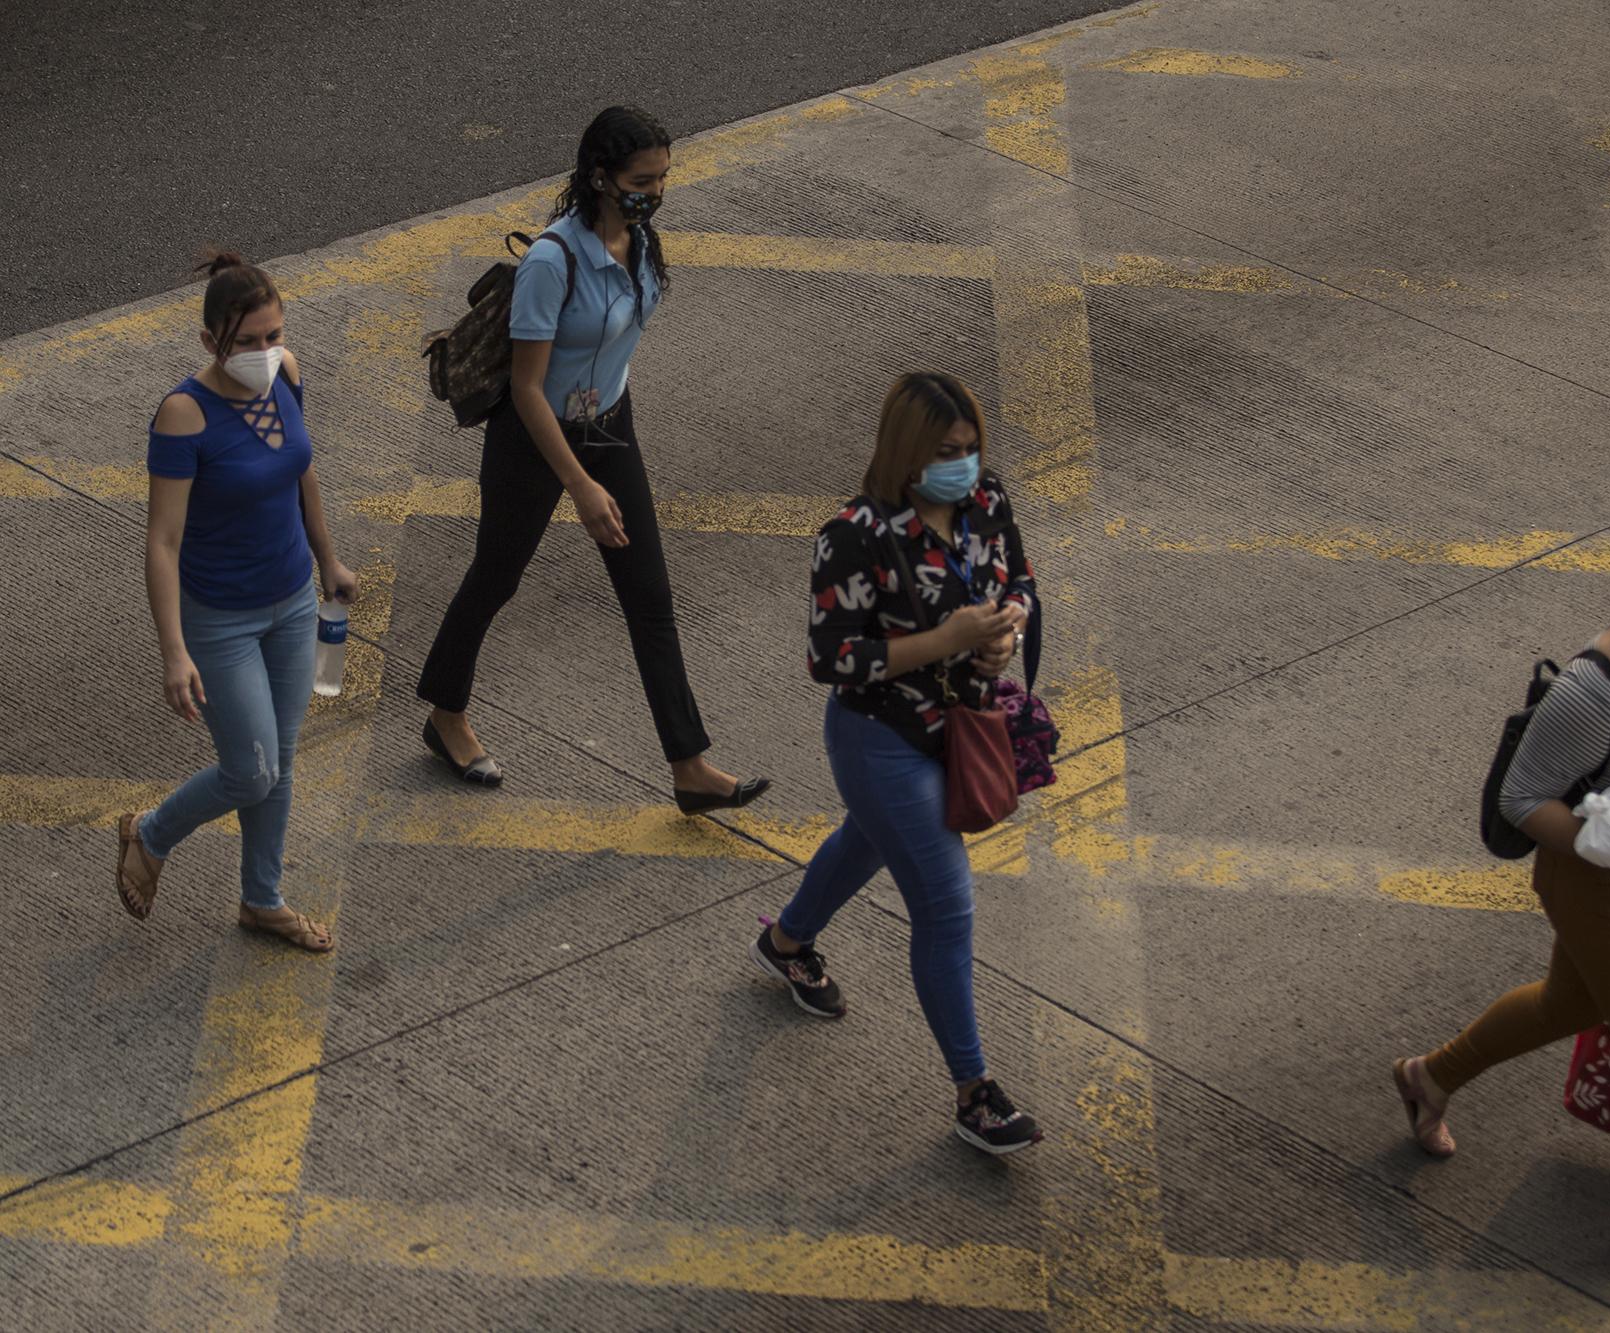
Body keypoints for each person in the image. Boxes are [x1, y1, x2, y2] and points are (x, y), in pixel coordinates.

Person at [1396, 522, 1610, 1288]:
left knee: (1566, 1002)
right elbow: (1521, 800)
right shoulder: (1592, 691)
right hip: (1605, 891)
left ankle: (1429, 1076)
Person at [416, 105, 767, 814]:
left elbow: (612, 350)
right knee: (497, 574)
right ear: (600, 177)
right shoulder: (554, 261)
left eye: (664, 177)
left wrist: (601, 437)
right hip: (535, 434)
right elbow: (526, 386)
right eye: (643, 179)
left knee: (650, 598)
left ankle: (690, 765)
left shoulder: (640, 242)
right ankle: (446, 715)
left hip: (605, 422)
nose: (656, 192)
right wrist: (578, 485)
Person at [752, 372, 1043, 1155]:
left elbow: (1019, 582)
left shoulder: (988, 503)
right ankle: (974, 1094)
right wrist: (944, 641)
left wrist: (1005, 630)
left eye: (973, 447)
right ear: (907, 451)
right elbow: (832, 657)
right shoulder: (853, 534)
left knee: (869, 841)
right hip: (879, 737)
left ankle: (785, 942)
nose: (965, 464)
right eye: (947, 451)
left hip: (958, 726)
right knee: (945, 906)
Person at [115, 252, 358, 952]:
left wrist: (328, 558)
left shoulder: (288, 373)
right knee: (250, 768)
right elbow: (162, 540)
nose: (262, 352)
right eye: (245, 341)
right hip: (219, 620)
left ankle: (262, 899)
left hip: (291, 602)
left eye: (272, 334)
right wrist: (174, 650)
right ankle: (149, 832)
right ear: (209, 343)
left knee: (276, 760)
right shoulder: (184, 416)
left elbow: (300, 469)